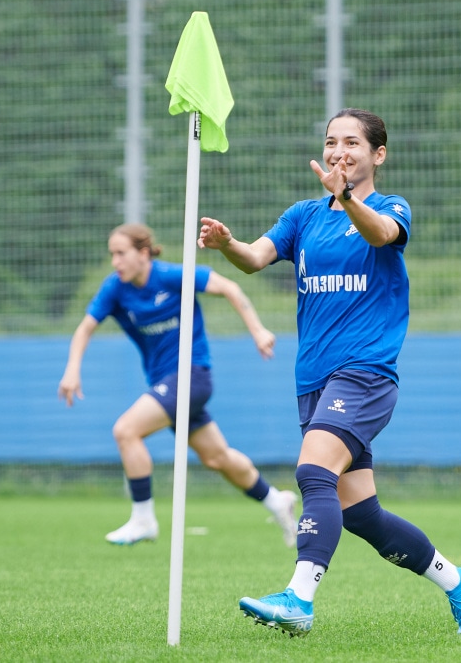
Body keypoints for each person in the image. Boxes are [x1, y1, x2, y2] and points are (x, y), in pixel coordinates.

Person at [198, 108, 461, 637]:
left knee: (313, 474)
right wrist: (226, 245)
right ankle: (458, 581)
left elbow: (381, 235)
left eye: (352, 142)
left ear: (378, 154)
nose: (339, 151)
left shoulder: (388, 207)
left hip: (364, 374)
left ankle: (299, 598)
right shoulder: (303, 216)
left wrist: (349, 197)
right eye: (331, 141)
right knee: (361, 514)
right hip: (313, 378)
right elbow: (255, 258)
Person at [58, 223, 298, 548]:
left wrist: (257, 330)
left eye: (121, 253)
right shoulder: (115, 288)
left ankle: (143, 518)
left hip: (192, 376)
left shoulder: (171, 276)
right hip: (165, 384)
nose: (115, 262)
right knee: (217, 458)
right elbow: (85, 328)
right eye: (112, 254)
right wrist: (72, 369)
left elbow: (230, 287)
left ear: (143, 253)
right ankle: (275, 500)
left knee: (126, 431)